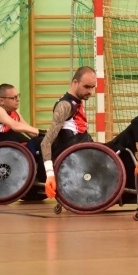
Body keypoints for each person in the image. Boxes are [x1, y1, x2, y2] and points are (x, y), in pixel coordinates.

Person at [41, 67, 97, 198]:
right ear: (75, 83)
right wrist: (50, 175)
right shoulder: (65, 106)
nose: (90, 91)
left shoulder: (77, 101)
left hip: (85, 151)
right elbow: (46, 143)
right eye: (86, 87)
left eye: (92, 87)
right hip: (76, 158)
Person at [0, 83, 43, 154]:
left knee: (42, 141)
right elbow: (16, 126)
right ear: (1, 101)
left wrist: (48, 135)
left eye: (18, 96)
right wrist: (41, 131)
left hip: (14, 146)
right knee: (36, 143)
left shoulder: (15, 113)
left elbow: (30, 132)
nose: (18, 100)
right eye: (13, 98)